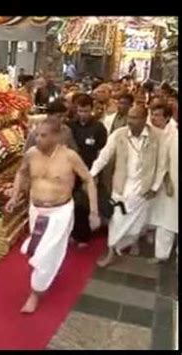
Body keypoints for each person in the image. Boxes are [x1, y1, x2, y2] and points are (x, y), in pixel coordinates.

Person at [5, 118, 100, 313]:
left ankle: (35, 293)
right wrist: (15, 196)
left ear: (56, 136)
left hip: (60, 213)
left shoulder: (70, 156)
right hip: (36, 210)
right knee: (39, 251)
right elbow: (21, 174)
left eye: (43, 135)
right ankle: (43, 272)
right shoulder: (31, 154)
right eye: (36, 134)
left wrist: (94, 212)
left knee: (45, 255)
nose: (38, 139)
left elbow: (89, 180)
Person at [90, 106, 166, 267]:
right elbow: (104, 156)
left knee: (138, 222)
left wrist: (155, 186)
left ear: (145, 118)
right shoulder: (119, 134)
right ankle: (111, 251)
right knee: (117, 219)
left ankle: (132, 241)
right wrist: (91, 175)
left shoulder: (158, 136)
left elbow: (162, 164)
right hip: (122, 186)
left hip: (143, 188)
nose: (130, 121)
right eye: (129, 117)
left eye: (135, 118)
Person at [68, 95, 108, 248]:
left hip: (90, 171)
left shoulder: (98, 128)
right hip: (71, 172)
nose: (82, 114)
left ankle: (84, 236)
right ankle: (73, 232)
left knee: (85, 204)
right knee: (73, 204)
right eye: (79, 111)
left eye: (85, 111)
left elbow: (102, 152)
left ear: (91, 109)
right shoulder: (71, 126)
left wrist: (96, 174)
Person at [147, 105, 178, 263]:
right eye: (153, 115)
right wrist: (166, 181)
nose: (154, 118)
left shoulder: (172, 133)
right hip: (171, 183)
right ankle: (161, 255)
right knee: (166, 219)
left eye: (158, 115)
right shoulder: (169, 134)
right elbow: (163, 163)